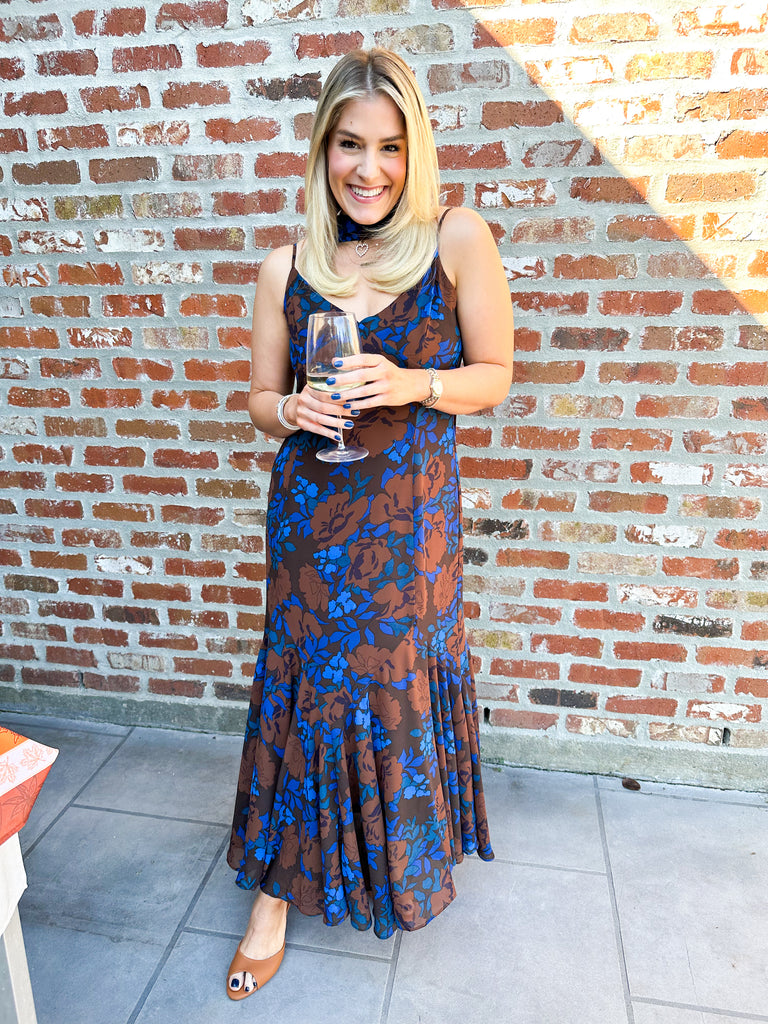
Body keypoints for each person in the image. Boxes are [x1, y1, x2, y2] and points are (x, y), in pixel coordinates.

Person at [225, 47, 514, 1000]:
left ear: (414, 151)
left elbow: (494, 375)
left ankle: (394, 866)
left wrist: (411, 382)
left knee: (392, 688)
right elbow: (260, 399)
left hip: (409, 527)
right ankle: (274, 897)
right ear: (323, 149)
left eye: (390, 147)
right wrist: (288, 409)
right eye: (350, 144)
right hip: (311, 519)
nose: (369, 168)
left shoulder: (455, 238)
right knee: (305, 690)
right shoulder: (287, 265)